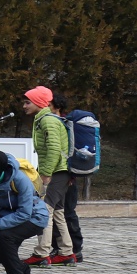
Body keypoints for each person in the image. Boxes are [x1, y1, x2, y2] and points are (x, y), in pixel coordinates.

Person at [24, 86, 75, 268]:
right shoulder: (44, 120)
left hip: (56, 172)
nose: (24, 105)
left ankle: (41, 253)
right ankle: (67, 252)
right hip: (60, 171)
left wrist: (45, 173)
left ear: (38, 102)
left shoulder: (48, 121)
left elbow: (54, 149)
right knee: (58, 212)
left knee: (44, 211)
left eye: (28, 101)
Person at [51, 93, 86, 262]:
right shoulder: (56, 123)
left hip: (66, 173)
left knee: (66, 211)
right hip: (62, 173)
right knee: (59, 211)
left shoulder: (64, 125)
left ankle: (75, 248)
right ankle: (61, 247)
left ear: (57, 107)